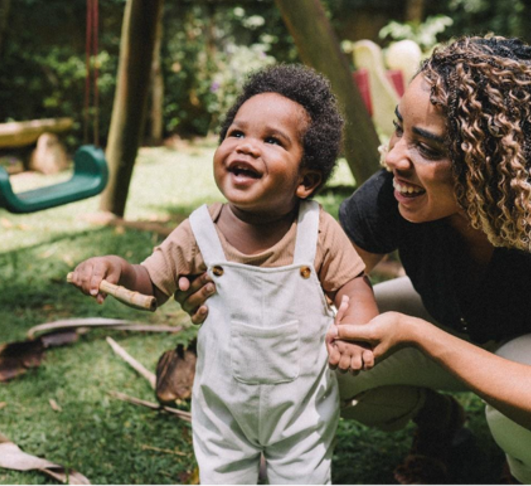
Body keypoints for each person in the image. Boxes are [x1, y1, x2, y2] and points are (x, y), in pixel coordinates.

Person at [175, 36, 531, 486]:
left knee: (517, 424)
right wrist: (223, 287)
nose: (392, 157)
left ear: (491, 160)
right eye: (398, 129)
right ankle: (438, 423)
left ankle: (522, 470)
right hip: (456, 323)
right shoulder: (393, 193)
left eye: (425, 147)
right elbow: (301, 283)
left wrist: (418, 335)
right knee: (316, 343)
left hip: (526, 354)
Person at [70, 64, 379, 485]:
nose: (247, 147)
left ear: (306, 180)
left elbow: (353, 287)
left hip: (301, 411)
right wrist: (115, 269)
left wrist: (356, 331)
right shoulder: (198, 232)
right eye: (237, 133)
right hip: (222, 411)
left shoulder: (318, 231)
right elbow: (149, 282)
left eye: (272, 140)